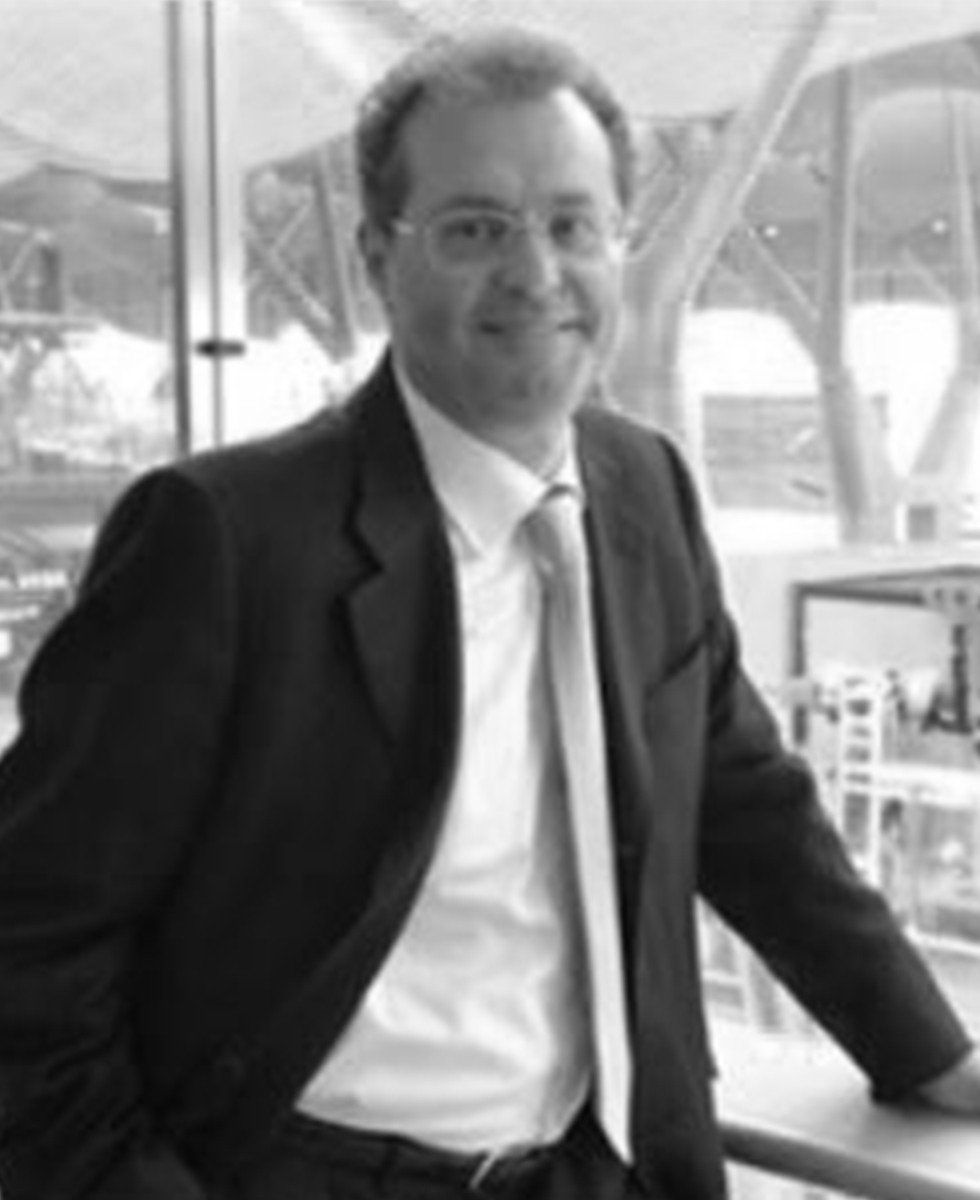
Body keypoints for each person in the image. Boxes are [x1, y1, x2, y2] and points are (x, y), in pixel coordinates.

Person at [0, 27, 978, 1200]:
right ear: (378, 256)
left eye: (572, 224)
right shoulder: (222, 541)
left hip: (598, 1166)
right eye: (474, 228)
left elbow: (741, 800)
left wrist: (928, 1051)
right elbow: (32, 942)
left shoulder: (644, 488)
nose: (533, 273)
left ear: (619, 243)